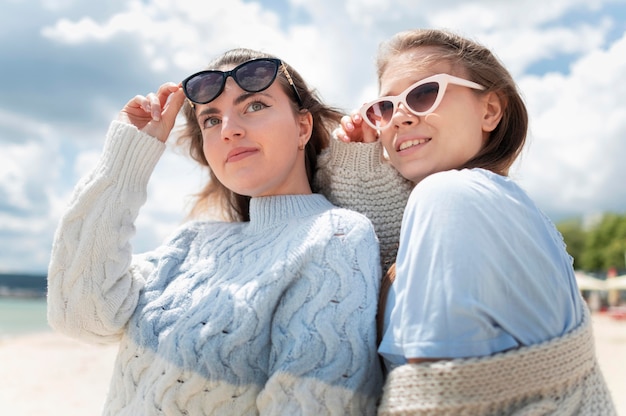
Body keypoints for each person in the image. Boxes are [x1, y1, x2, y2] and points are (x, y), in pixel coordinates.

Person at [46, 48, 384, 415]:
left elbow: (316, 404)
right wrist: (126, 157)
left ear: (302, 127)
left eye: (254, 106)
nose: (229, 129)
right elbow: (78, 316)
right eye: (210, 119)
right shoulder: (190, 244)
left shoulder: (336, 237)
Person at [325, 29, 616, 414]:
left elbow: (436, 400)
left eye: (424, 93)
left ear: (490, 110)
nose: (400, 118)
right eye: (385, 108)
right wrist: (366, 164)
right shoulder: (496, 204)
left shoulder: (450, 196)